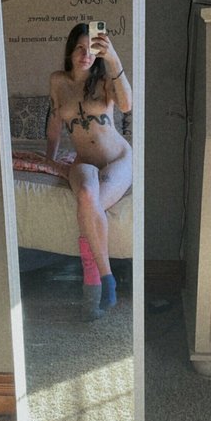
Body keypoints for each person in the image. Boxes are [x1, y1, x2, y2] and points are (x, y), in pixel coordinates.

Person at [46, 22, 133, 320]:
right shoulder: (58, 81)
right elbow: (55, 123)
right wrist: (50, 159)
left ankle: (98, 285)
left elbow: (126, 104)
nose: (86, 55)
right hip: (83, 160)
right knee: (85, 193)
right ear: (70, 52)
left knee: (89, 208)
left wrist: (113, 58)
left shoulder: (105, 80)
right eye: (80, 49)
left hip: (117, 159)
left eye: (91, 49)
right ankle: (108, 279)